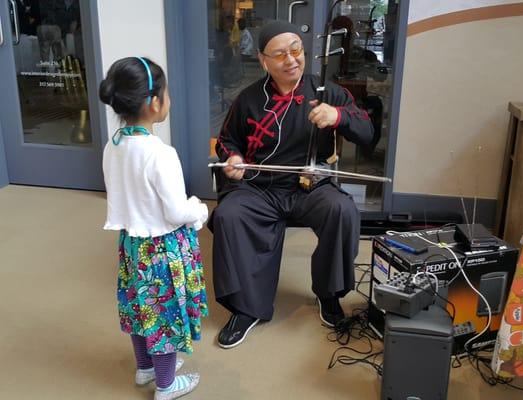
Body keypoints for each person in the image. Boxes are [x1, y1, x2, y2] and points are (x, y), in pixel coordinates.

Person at [209, 21, 374, 349]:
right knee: (229, 214)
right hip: (259, 186)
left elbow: (368, 133)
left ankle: (328, 294)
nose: (291, 59)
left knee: (341, 210)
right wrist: (234, 159)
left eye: (296, 49)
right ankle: (246, 308)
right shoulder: (249, 98)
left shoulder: (327, 93)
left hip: (310, 186)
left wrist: (338, 117)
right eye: (280, 53)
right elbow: (227, 142)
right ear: (263, 60)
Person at [99, 57, 208, 399]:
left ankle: (145, 368)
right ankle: (165, 385)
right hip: (162, 250)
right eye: (167, 93)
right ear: (154, 102)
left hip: (132, 245)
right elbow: (176, 211)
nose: (168, 100)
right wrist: (199, 210)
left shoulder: (112, 146)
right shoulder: (160, 153)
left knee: (139, 308)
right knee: (165, 314)